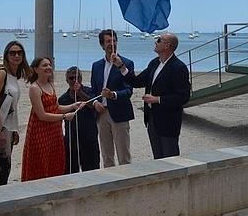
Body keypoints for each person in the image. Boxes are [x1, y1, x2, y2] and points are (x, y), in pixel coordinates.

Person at [112, 33, 190, 159]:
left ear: (167, 46)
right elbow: (137, 82)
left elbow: (183, 97)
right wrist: (121, 66)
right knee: (157, 158)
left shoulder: (178, 68)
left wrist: (158, 99)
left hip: (169, 121)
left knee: (170, 158)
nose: (155, 42)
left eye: (158, 40)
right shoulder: (154, 63)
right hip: (152, 119)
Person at [21, 57, 82, 181]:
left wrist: (72, 106)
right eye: (44, 65)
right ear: (36, 69)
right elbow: (42, 115)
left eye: (49, 65)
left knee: (54, 160)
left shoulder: (50, 84)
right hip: (40, 131)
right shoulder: (34, 88)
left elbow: (56, 107)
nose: (48, 67)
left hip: (54, 131)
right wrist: (64, 117)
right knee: (41, 162)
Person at [0, 40, 31, 186]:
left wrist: (14, 130)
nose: (16, 55)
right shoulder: (2, 73)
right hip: (0, 128)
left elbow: (12, 108)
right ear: (6, 55)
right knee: (0, 169)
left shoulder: (13, 76)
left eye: (19, 52)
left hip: (8, 129)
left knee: (4, 168)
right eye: (12, 53)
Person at [91, 29, 134, 167]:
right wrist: (95, 102)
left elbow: (128, 90)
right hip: (101, 114)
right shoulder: (96, 66)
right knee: (106, 155)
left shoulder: (126, 63)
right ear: (102, 45)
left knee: (124, 155)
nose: (112, 43)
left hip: (120, 113)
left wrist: (113, 95)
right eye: (108, 41)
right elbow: (93, 90)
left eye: (114, 40)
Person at [59, 66, 100, 173]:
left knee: (92, 171)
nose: (74, 81)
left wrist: (80, 92)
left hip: (89, 139)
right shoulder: (63, 99)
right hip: (71, 141)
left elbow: (93, 105)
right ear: (67, 80)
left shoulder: (89, 91)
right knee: (71, 172)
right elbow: (59, 118)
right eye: (71, 78)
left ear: (81, 79)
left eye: (77, 78)